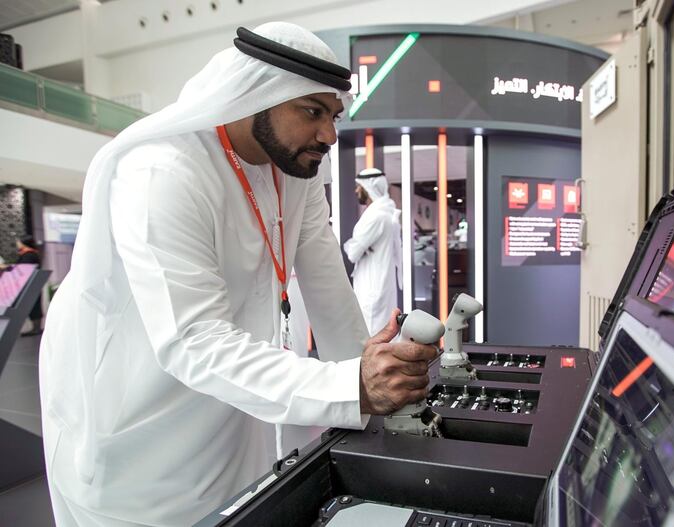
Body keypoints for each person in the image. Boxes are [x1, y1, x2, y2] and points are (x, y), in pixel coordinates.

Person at [39, 22, 436, 526]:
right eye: (312, 112)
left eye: (334, 115)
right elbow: (192, 338)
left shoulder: (293, 169)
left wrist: (372, 381)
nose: (329, 135)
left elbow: (327, 284)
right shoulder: (163, 173)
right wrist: (349, 388)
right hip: (142, 412)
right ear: (256, 95)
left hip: (234, 394)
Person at [343, 168, 402, 336]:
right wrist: (360, 246)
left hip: (372, 288)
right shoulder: (384, 213)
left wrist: (355, 245)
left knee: (372, 337)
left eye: (358, 186)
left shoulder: (376, 216)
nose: (356, 191)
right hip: (379, 284)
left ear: (368, 188)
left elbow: (353, 253)